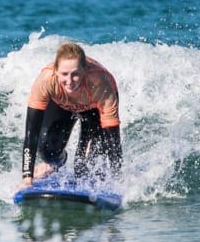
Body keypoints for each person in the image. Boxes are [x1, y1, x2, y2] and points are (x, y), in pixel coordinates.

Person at [19, 41, 122, 188]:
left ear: (84, 70)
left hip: (94, 110)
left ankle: (101, 175)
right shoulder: (45, 81)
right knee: (47, 151)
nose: (69, 81)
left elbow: (113, 140)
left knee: (85, 168)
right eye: (64, 74)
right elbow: (31, 133)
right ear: (55, 71)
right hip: (62, 105)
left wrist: (118, 180)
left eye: (75, 74)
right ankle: (54, 165)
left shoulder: (100, 83)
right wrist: (27, 178)